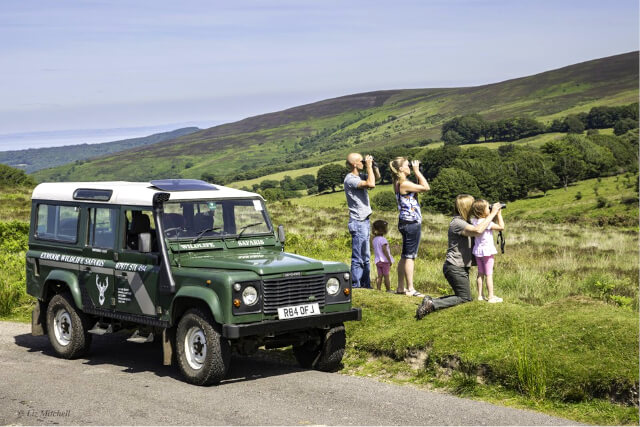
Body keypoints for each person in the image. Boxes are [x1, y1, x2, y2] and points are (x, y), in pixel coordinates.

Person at [416, 194, 502, 319]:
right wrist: (493, 213)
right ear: (466, 207)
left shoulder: (467, 221)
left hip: (459, 267)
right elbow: (478, 230)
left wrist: (493, 213)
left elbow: (485, 226)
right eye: (472, 205)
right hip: (455, 267)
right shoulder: (458, 223)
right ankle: (432, 304)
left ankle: (430, 300)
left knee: (462, 295)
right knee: (465, 297)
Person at [388, 157, 430, 297]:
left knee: (405, 256)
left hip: (405, 222)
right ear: (400, 169)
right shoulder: (404, 183)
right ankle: (411, 288)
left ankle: (401, 287)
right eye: (407, 165)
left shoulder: (398, 182)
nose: (410, 167)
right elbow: (426, 187)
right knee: (410, 257)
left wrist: (416, 173)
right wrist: (418, 172)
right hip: (411, 223)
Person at [344, 153, 380, 288]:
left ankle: (366, 285)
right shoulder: (350, 179)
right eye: (361, 161)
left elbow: (376, 178)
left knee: (365, 256)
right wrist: (369, 166)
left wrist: (373, 166)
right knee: (358, 256)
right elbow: (371, 184)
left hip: (364, 221)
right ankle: (356, 285)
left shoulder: (359, 176)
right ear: (354, 164)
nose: (363, 163)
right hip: (358, 222)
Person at [471, 199, 504, 303]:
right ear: (482, 211)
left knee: (480, 273)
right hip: (487, 252)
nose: (490, 208)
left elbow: (486, 221)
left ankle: (480, 296)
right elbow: (501, 227)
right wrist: (498, 214)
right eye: (488, 207)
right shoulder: (487, 223)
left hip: (478, 251)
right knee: (489, 274)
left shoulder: (474, 221)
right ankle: (491, 297)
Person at [372, 219, 394, 292]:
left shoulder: (374, 239)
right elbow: (385, 250)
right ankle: (388, 289)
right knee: (386, 276)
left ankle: (378, 289)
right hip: (384, 261)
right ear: (383, 230)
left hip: (378, 261)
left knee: (379, 276)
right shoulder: (383, 240)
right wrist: (389, 259)